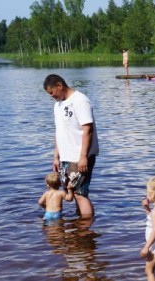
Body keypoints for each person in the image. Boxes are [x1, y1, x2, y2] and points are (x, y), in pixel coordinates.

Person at [43, 74, 99, 219]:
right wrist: (56, 156)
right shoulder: (58, 105)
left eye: (52, 93)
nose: (52, 96)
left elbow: (88, 129)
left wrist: (83, 157)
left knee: (80, 194)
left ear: (59, 86)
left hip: (80, 156)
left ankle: (86, 229)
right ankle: (80, 227)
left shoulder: (80, 100)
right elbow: (59, 132)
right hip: (65, 156)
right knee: (72, 193)